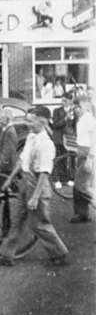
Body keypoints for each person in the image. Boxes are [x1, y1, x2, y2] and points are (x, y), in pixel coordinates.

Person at [0, 106, 69, 267]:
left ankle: (60, 252)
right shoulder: (32, 137)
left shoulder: (46, 144)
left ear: (43, 121)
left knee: (39, 224)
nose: (27, 124)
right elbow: (22, 160)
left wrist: (35, 197)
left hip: (37, 186)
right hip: (25, 183)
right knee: (16, 220)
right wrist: (10, 179)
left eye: (30, 121)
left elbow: (44, 173)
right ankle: (6, 257)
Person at [70, 95, 96, 223]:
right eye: (75, 107)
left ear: (85, 105)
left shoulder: (89, 120)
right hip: (81, 151)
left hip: (87, 153)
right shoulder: (81, 119)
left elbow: (93, 140)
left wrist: (90, 158)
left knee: (81, 186)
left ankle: (92, 204)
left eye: (78, 106)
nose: (76, 109)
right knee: (78, 185)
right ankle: (82, 214)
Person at [52, 92, 77, 189]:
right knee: (58, 159)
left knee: (69, 159)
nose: (63, 102)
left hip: (69, 139)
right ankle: (57, 180)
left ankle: (67, 179)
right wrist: (65, 118)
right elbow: (55, 125)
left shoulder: (73, 112)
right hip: (59, 139)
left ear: (70, 101)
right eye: (62, 100)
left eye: (65, 101)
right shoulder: (56, 111)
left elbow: (74, 125)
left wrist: (75, 136)